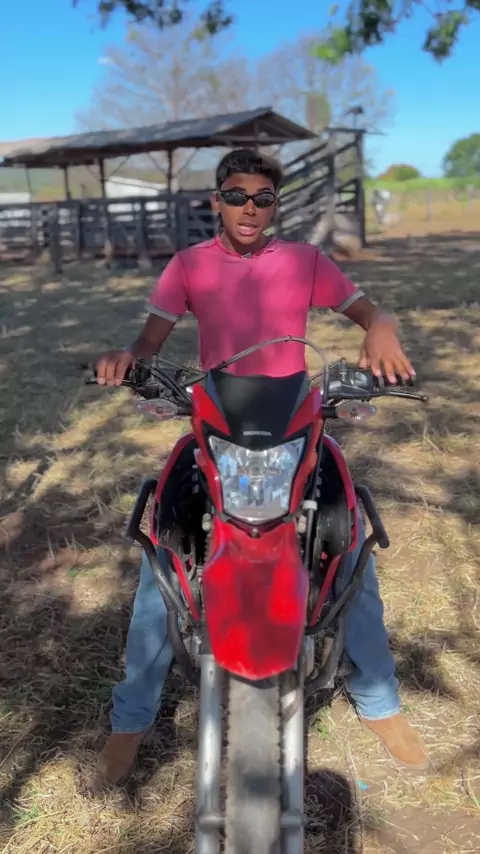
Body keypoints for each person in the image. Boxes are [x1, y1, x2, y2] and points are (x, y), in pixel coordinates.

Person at [90, 149, 429, 792]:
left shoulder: (304, 261)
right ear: (215, 200)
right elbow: (148, 343)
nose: (250, 208)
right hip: (217, 420)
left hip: (294, 418)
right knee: (163, 551)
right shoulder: (189, 265)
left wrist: (381, 326)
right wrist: (125, 358)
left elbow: (368, 313)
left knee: (348, 542)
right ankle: (131, 718)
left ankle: (379, 698)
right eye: (237, 195)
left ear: (276, 205)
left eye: (263, 198)